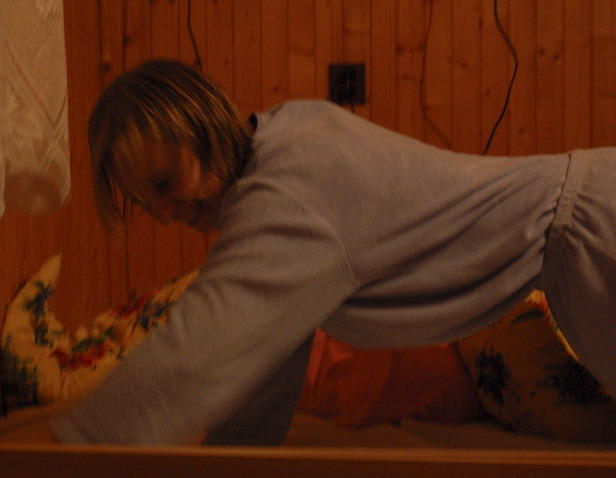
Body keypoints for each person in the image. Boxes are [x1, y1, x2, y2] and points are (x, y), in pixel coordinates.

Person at [52, 59, 616, 446]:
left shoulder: (287, 193)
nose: (164, 213)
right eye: (143, 201)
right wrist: (233, 460)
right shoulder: (289, 136)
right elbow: (267, 352)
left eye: (163, 183)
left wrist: (70, 450)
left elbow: (197, 349)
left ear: (200, 128)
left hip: (593, 225)